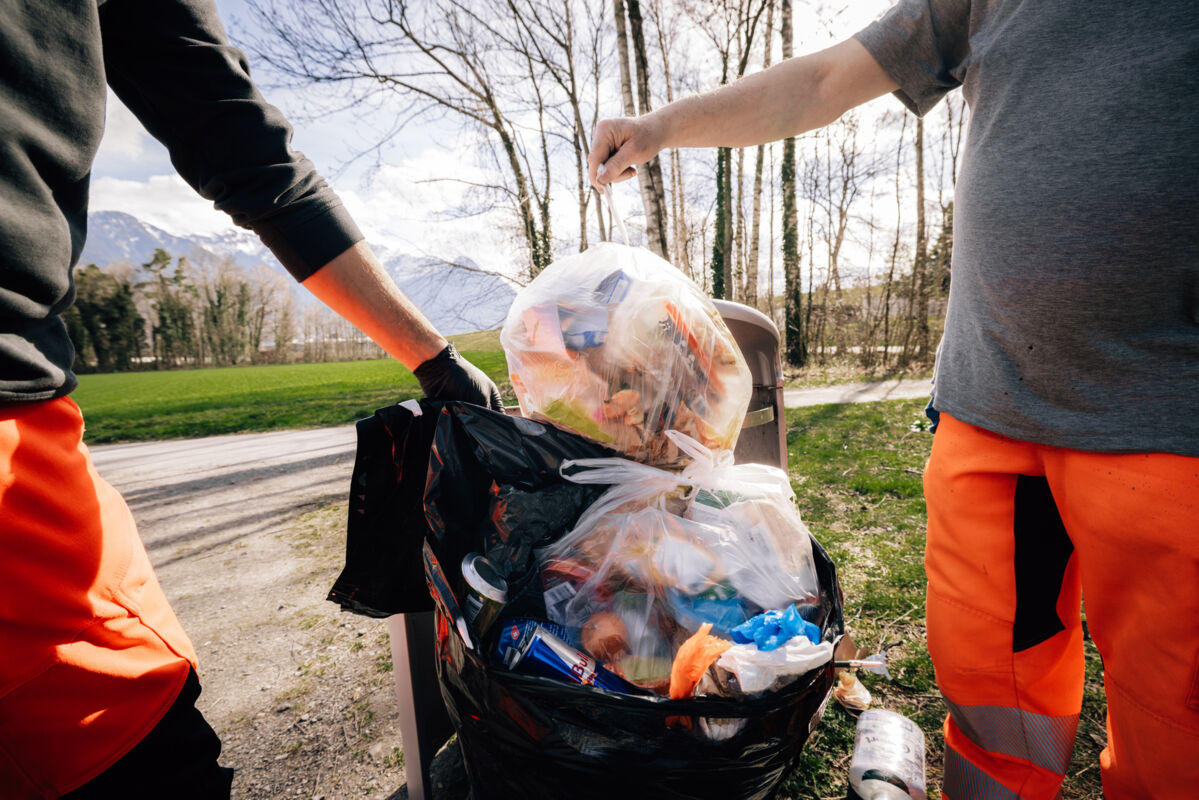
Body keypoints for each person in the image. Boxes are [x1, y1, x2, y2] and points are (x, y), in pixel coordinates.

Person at [588, 1, 1198, 798]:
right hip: (989, 414)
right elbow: (822, 79)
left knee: (1175, 713)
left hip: (1168, 421)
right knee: (991, 688)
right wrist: (659, 128)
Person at [0, 0, 501, 797]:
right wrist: (433, 359)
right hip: (13, 452)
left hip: (22, 413)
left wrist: (434, 360)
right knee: (133, 754)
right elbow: (239, 139)